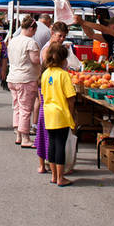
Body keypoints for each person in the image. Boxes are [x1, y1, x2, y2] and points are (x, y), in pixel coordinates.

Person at [41, 42, 76, 187]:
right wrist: (72, 115)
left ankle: (54, 176)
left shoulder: (45, 73)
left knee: (52, 144)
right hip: (61, 113)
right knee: (60, 144)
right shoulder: (64, 75)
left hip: (48, 112)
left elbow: (43, 93)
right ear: (63, 60)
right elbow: (70, 98)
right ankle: (61, 177)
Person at [7, 15, 41, 147]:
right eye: (34, 31)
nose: (34, 34)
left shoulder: (13, 40)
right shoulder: (30, 42)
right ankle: (25, 137)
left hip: (13, 77)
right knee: (26, 109)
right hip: (26, 79)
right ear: (31, 28)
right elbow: (35, 60)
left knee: (17, 107)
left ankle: (18, 134)